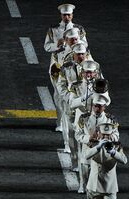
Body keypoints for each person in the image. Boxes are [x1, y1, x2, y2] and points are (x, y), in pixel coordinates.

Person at [44, 3, 87, 132]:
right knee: (59, 94)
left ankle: (76, 121)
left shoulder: (79, 29)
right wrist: (57, 45)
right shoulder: (53, 29)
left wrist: (74, 42)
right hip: (57, 65)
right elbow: (46, 47)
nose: (66, 17)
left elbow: (85, 45)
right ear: (61, 15)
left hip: (73, 65)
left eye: (69, 14)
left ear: (72, 15)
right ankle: (60, 121)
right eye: (64, 15)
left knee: (76, 92)